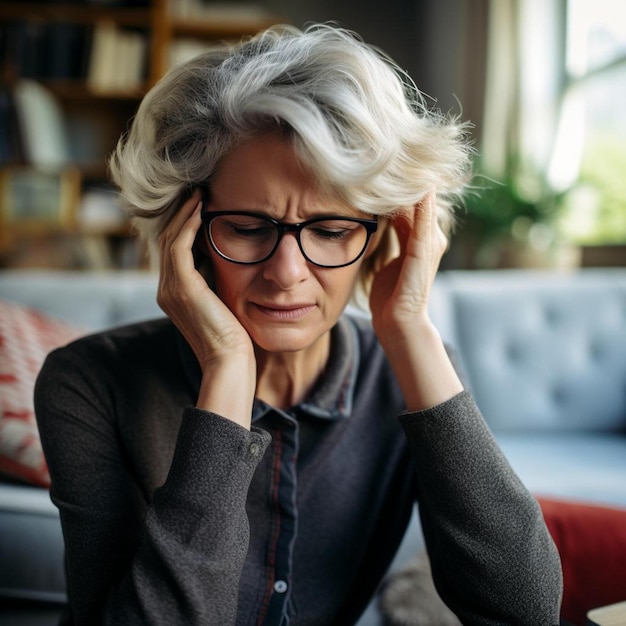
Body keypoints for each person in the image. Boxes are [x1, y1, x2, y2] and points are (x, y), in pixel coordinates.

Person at [35, 23, 562, 626]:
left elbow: (525, 612)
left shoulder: (408, 371)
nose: (287, 273)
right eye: (248, 227)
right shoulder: (87, 383)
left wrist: (411, 328)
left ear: (385, 234)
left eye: (332, 232)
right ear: (191, 234)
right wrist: (228, 375)